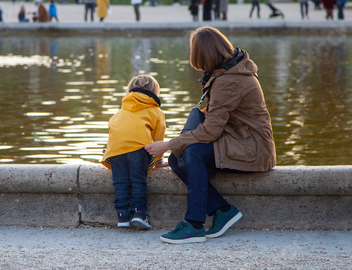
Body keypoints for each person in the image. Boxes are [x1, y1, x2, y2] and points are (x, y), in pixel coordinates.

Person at [145, 26, 276, 244]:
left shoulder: (228, 79)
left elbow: (211, 131)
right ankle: (223, 211)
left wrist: (168, 144)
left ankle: (194, 224)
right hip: (242, 141)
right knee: (178, 159)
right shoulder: (231, 70)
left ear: (203, 54)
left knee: (192, 153)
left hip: (252, 149)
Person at [102, 75, 166, 230]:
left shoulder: (122, 110)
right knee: (138, 181)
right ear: (155, 92)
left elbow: (112, 128)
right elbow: (158, 138)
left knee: (120, 183)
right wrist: (158, 160)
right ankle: (139, 214)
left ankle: (122, 216)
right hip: (138, 149)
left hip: (115, 149)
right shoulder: (155, 111)